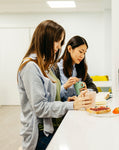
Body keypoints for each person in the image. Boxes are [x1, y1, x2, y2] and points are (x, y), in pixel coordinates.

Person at [17, 20, 93, 150]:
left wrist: (67, 100)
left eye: (61, 42)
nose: (59, 47)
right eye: (57, 41)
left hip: (51, 126)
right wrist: (71, 105)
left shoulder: (45, 65)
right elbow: (40, 107)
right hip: (40, 134)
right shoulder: (30, 67)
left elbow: (49, 97)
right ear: (45, 39)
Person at [53, 35, 98, 102]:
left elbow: (94, 88)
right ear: (70, 49)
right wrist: (65, 86)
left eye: (84, 53)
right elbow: (53, 96)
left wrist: (86, 91)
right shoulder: (56, 68)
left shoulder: (80, 67)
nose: (82, 56)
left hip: (79, 107)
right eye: (80, 52)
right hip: (65, 110)